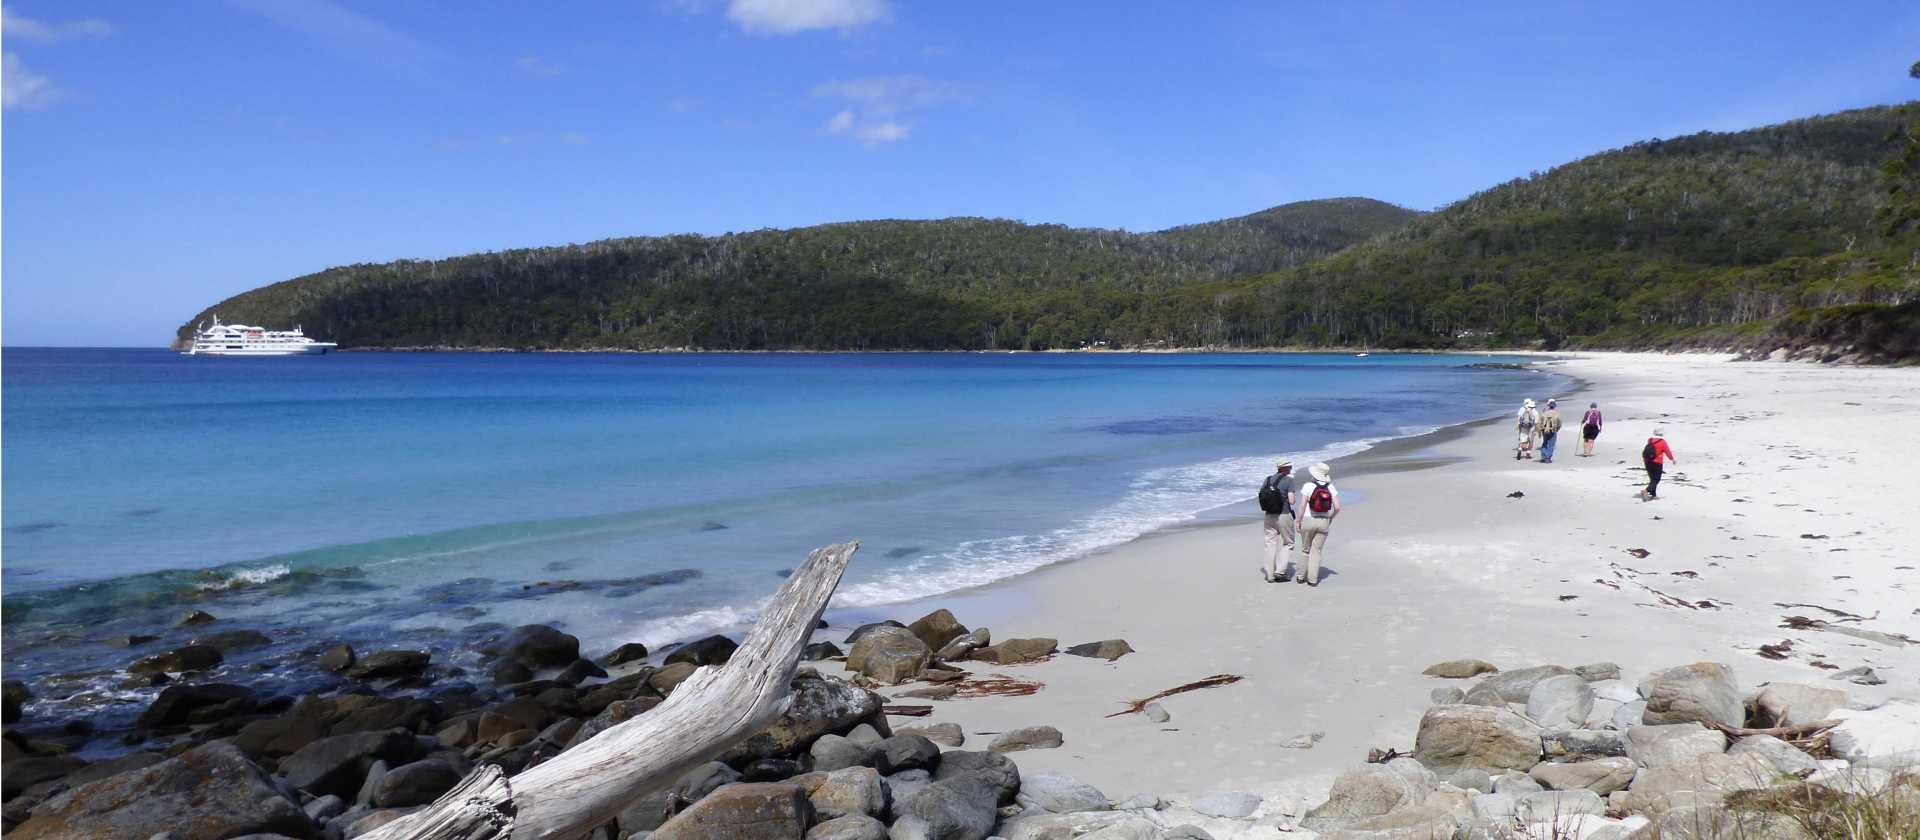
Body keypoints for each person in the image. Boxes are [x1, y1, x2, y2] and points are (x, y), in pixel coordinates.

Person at [1295, 462, 1340, 587]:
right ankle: (1313, 580)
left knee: (1305, 549)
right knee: (1316, 551)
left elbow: (1302, 505)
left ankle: (1300, 576)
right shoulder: (1330, 487)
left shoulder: (1308, 486)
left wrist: (1298, 520)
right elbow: (1337, 507)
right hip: (1324, 521)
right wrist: (1330, 518)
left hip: (1308, 520)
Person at [1256, 460, 1298, 582]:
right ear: (1286, 468)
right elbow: (1292, 501)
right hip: (1284, 514)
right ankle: (1280, 572)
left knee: (1270, 543)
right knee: (1288, 543)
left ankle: (1269, 574)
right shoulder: (1289, 480)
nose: (1291, 468)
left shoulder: (1267, 479)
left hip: (1269, 515)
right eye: (1290, 466)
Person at [1642, 429, 1676, 500]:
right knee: (1656, 479)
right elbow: (1667, 452)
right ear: (1661, 434)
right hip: (1657, 462)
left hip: (1647, 462)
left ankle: (1653, 495)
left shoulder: (1650, 440)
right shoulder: (1662, 442)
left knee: (1652, 479)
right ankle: (1646, 491)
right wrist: (1672, 459)